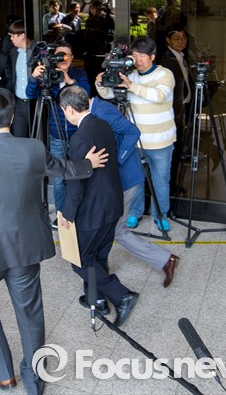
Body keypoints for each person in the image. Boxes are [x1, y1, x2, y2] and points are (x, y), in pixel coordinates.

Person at [0, 88, 108, 395]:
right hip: (26, 247)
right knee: (30, 312)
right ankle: (35, 381)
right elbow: (64, 169)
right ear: (11, 117)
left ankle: (2, 374)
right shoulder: (33, 148)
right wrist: (88, 164)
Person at [58, 86, 138, 327]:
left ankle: (122, 295)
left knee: (81, 260)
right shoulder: (102, 124)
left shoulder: (80, 137)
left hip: (93, 209)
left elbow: (77, 184)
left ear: (69, 109)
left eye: (63, 110)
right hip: (111, 202)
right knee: (99, 255)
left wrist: (67, 214)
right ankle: (98, 299)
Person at [88, 96, 180, 288]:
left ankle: (165, 260)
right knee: (110, 227)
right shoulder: (97, 110)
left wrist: (117, 159)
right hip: (118, 180)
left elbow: (132, 131)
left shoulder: (103, 112)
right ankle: (102, 268)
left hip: (125, 180)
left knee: (115, 229)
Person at [95, 36, 175, 232]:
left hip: (160, 140)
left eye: (141, 56)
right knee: (135, 180)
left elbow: (159, 96)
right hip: (134, 141)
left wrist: (131, 85)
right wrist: (101, 83)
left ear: (152, 56)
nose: (137, 60)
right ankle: (134, 213)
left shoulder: (165, 74)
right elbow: (109, 95)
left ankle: (160, 215)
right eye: (134, 55)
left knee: (160, 181)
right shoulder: (129, 74)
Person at [26, 40, 90, 226]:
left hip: (78, 134)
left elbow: (85, 95)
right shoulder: (48, 75)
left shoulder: (79, 74)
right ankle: (62, 213)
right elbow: (30, 95)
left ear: (72, 57)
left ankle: (80, 209)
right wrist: (34, 78)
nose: (62, 59)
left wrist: (70, 82)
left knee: (80, 173)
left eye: (66, 55)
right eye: (58, 55)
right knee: (60, 176)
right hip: (56, 135)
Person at [159, 26, 193, 194]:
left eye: (184, 38)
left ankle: (172, 183)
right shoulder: (167, 60)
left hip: (182, 109)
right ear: (168, 40)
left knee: (178, 150)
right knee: (172, 152)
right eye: (177, 38)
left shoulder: (182, 57)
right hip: (173, 113)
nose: (181, 42)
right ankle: (169, 185)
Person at [6, 20, 35, 137]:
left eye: (13, 35)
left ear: (22, 35)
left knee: (36, 138)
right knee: (18, 138)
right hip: (18, 105)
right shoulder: (14, 53)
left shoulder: (37, 51)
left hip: (35, 104)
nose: (11, 38)